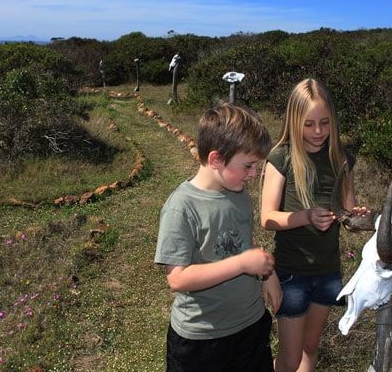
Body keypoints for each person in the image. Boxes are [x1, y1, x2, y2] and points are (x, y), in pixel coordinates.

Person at [155, 102, 282, 372]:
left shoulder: (239, 195)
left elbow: (242, 245)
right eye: (248, 165)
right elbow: (177, 278)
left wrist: (268, 274)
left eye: (256, 166)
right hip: (202, 338)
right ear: (216, 160)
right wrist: (242, 265)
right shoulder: (182, 207)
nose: (254, 174)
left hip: (250, 325)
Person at [261, 78, 364, 372]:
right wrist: (305, 216)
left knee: (310, 348)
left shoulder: (340, 158)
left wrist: (358, 218)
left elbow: (348, 215)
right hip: (292, 273)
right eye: (308, 124)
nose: (318, 132)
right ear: (294, 121)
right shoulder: (280, 157)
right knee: (290, 357)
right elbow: (267, 217)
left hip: (328, 271)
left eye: (325, 122)